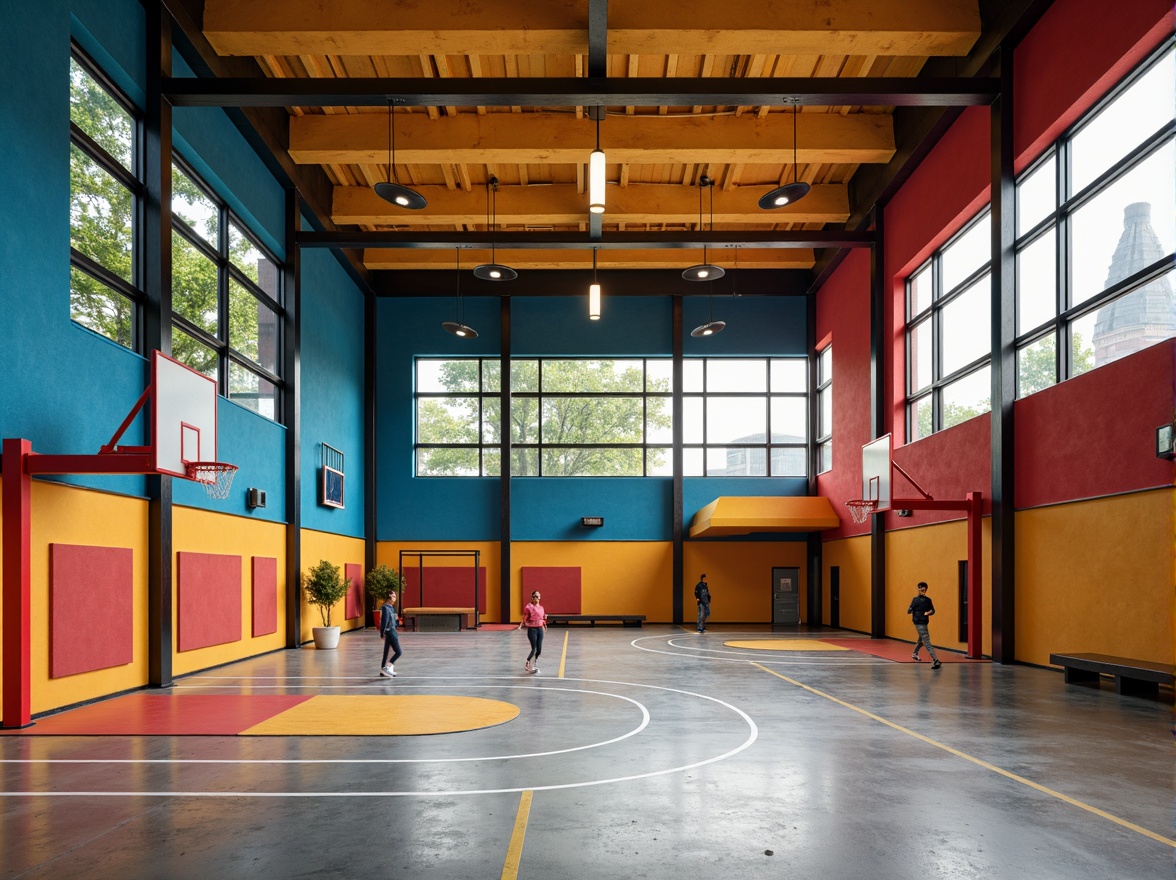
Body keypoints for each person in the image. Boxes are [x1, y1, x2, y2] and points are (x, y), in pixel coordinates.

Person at [908, 581, 941, 669]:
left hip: (921, 623)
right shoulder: (919, 600)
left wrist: (928, 612)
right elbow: (933, 611)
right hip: (921, 623)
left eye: (922, 589)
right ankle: (934, 660)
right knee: (925, 640)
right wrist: (928, 612)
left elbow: (932, 611)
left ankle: (917, 654)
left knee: (924, 641)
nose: (921, 590)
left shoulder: (920, 600)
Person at [518, 590, 547, 674]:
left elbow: (542, 618)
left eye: (537, 596)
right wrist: (521, 624)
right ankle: (527, 662)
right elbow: (525, 616)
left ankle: (534, 663)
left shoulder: (541, 608)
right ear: (532, 597)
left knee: (539, 650)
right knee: (534, 649)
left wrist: (544, 625)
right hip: (532, 630)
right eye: (534, 596)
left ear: (540, 598)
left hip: (539, 629)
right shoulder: (529, 607)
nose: (535, 598)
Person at [378, 590, 402, 677]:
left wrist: (397, 622)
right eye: (393, 596)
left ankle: (383, 670)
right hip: (390, 631)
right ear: (389, 596)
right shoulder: (385, 608)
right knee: (399, 652)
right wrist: (382, 633)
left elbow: (395, 621)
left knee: (386, 652)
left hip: (393, 630)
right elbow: (384, 622)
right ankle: (387, 668)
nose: (395, 598)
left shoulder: (391, 608)